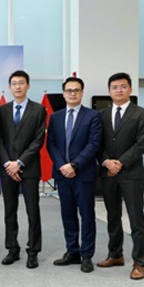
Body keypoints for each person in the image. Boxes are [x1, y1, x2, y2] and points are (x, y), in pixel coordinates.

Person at [96, 72, 144, 280]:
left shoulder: (141, 113)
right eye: (114, 87)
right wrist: (105, 161)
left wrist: (120, 162)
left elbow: (143, 143)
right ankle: (115, 254)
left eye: (123, 86)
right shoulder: (101, 114)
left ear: (130, 89)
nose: (119, 90)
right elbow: (96, 142)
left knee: (136, 218)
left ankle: (139, 262)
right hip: (108, 173)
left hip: (131, 173)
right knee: (112, 216)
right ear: (109, 91)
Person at [47, 76, 102, 273]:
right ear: (63, 94)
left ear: (82, 93)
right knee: (68, 214)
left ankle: (86, 255)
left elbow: (93, 144)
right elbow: (51, 144)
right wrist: (63, 166)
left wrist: (74, 165)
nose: (72, 93)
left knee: (87, 215)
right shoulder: (55, 117)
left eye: (76, 90)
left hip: (83, 174)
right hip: (63, 174)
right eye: (69, 90)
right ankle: (72, 252)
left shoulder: (93, 116)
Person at [0, 70, 46, 269]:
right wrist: (8, 163)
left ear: (28, 85)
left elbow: (38, 140)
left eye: (21, 83)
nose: (18, 86)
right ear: (10, 87)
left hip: (29, 168)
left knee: (33, 211)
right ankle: (12, 249)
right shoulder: (2, 110)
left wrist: (20, 162)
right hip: (7, 169)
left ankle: (33, 251)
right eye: (14, 83)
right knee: (10, 211)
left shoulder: (38, 110)